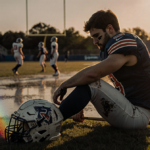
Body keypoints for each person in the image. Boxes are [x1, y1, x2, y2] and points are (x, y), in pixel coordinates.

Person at [53, 9, 150, 129]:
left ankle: (52, 120)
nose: (94, 41)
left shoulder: (123, 40)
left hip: (138, 114)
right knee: (90, 81)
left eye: (97, 36)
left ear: (110, 29)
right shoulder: (107, 49)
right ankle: (55, 118)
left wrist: (65, 85)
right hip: (128, 109)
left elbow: (93, 75)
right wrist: (78, 105)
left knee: (92, 81)